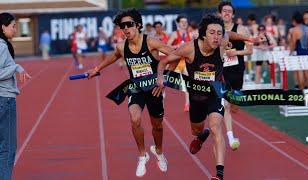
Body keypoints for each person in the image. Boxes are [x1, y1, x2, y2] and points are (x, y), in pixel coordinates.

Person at [156, 13, 259, 180]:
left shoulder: (222, 43)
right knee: (196, 130)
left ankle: (218, 174)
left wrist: (250, 39)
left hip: (214, 94)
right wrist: (161, 78)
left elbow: (230, 34)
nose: (216, 36)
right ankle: (201, 134)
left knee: (216, 128)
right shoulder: (189, 48)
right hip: (196, 98)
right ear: (203, 34)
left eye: (219, 33)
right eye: (212, 32)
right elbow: (163, 62)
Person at [86, 8, 173, 177]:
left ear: (138, 25)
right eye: (122, 26)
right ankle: (142, 155)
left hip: (154, 88)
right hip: (136, 88)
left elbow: (175, 55)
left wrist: (165, 77)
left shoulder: (151, 43)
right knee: (135, 119)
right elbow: (114, 56)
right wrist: (96, 68)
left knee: (157, 126)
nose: (125, 28)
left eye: (129, 24)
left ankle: (159, 152)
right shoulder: (121, 46)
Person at [218, 1, 253, 151]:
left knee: (234, 106)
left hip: (237, 70)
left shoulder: (242, 29)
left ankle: (229, 128)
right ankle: (231, 137)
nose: (226, 13)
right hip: (221, 71)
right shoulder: (215, 30)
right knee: (225, 104)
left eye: (229, 11)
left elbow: (250, 50)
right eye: (224, 11)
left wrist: (235, 52)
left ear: (233, 14)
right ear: (220, 13)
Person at [0, 12, 31, 180]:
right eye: (12, 26)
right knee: (8, 149)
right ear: (2, 27)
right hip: (4, 99)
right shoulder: (2, 46)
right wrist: (15, 67)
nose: (15, 29)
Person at [167, 14, 192, 112]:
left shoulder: (191, 34)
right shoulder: (174, 34)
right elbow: (167, 46)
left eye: (185, 22)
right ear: (178, 23)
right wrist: (177, 46)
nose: (184, 24)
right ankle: (160, 97)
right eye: (182, 22)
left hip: (186, 62)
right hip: (176, 62)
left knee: (188, 83)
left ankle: (187, 104)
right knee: (167, 81)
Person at [289, 12, 308, 92]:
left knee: (300, 72)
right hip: (306, 52)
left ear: (295, 21)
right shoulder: (307, 29)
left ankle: (301, 91)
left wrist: (291, 53)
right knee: (306, 73)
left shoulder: (295, 30)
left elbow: (293, 43)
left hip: (299, 52)